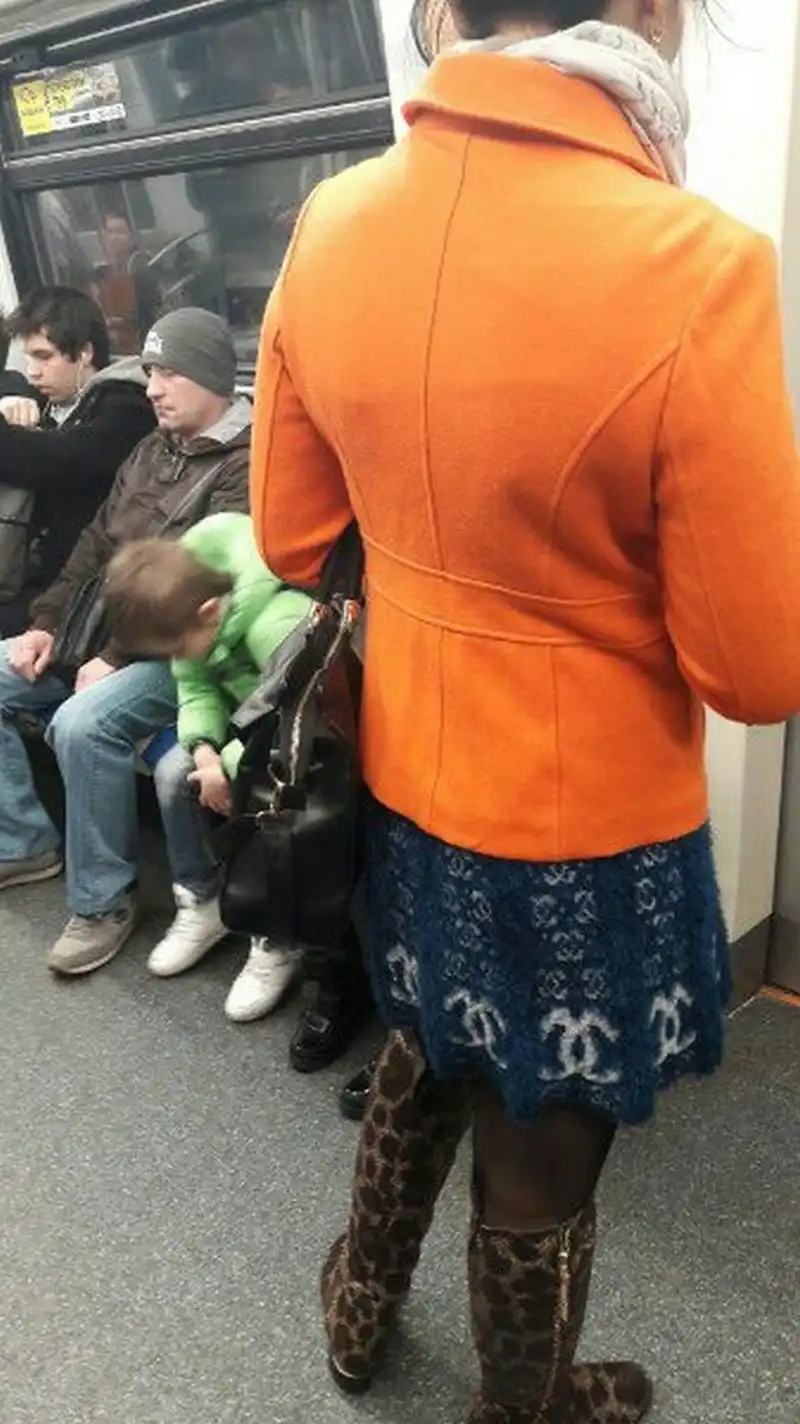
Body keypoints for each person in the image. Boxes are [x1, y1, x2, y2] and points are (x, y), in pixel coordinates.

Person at [248, 0, 800, 1418]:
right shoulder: (697, 261)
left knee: (434, 1038)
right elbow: (755, 667)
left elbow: (293, 534)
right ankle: (527, 1404)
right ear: (653, 15)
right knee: (543, 1136)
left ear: (446, 13)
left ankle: (357, 1311)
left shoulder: (332, 219)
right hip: (583, 823)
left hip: (407, 776)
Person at [0, 308, 251, 977]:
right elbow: (94, 546)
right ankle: (24, 842)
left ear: (211, 378)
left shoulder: (244, 466)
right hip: (99, 632)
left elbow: (193, 592)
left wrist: (112, 658)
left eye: (169, 373)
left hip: (181, 648)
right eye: (150, 372)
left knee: (83, 724)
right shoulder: (151, 448)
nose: (153, 389)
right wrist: (44, 623)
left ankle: (103, 902)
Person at [103, 512, 313, 1016]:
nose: (177, 656)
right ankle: (203, 900)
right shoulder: (191, 617)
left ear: (210, 612)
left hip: (298, 743)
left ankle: (278, 937)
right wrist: (203, 750)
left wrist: (232, 763)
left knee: (264, 800)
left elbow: (298, 723)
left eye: (176, 649)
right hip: (246, 730)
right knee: (176, 772)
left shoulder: (278, 624)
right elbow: (195, 687)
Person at [0, 287, 154, 635]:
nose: (33, 372)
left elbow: (50, 459)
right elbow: (14, 384)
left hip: (75, 588)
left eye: (44, 357)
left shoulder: (126, 409)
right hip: (28, 572)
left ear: (84, 353)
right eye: (28, 358)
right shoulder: (52, 398)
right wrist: (9, 401)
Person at [91, 211, 160, 356]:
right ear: (102, 238)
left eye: (120, 232)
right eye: (109, 232)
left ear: (131, 238)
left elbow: (153, 318)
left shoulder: (145, 278)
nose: (114, 237)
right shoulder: (96, 278)